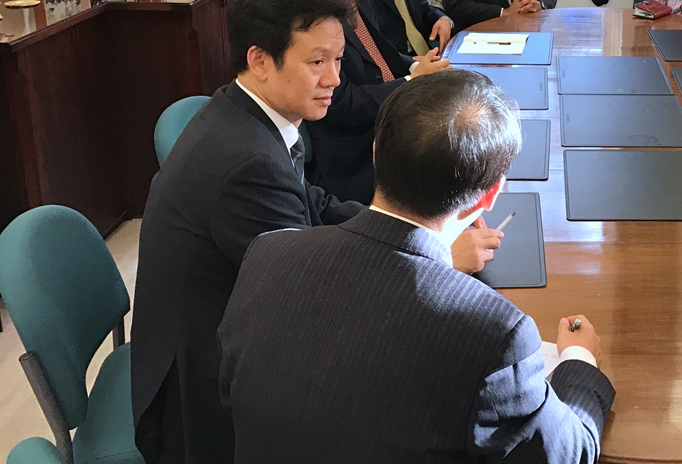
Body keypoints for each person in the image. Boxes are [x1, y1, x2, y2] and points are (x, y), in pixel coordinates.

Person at [218, 70, 615, 463]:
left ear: (376, 153)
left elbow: (232, 394)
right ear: (490, 195)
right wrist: (578, 360)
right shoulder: (494, 333)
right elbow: (568, 452)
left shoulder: (268, 254)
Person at [131, 0, 365, 464]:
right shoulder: (247, 161)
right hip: (198, 395)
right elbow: (312, 291)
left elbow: (311, 202)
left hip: (212, 331)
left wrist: (404, 226)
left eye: (338, 60)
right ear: (259, 60)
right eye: (317, 62)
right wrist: (422, 256)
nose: (334, 79)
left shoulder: (242, 111)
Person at [293, 0, 450, 205]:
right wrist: (409, 83)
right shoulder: (301, 10)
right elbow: (339, 104)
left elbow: (377, 46)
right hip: (352, 151)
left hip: (383, 113)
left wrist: (414, 66)